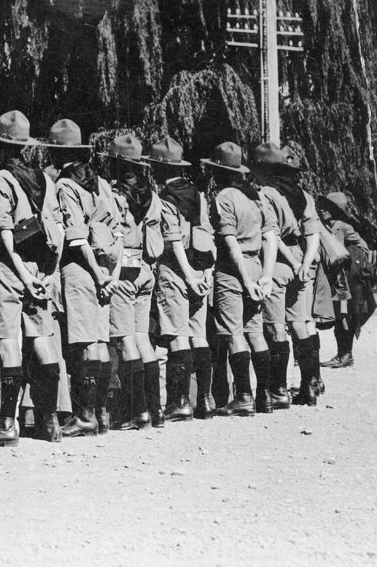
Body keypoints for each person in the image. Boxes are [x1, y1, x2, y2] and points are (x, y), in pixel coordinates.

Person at [0, 110, 64, 448]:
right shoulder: (46, 179)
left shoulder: (1, 178)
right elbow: (58, 229)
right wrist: (46, 274)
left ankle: (7, 424)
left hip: (12, 270)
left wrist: (21, 274)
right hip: (40, 269)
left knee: (9, 341)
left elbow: (5, 230)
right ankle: (50, 423)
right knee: (41, 337)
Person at [47, 119, 115, 437]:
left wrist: (97, 273)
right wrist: (106, 273)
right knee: (100, 342)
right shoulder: (96, 182)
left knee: (86, 344)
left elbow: (76, 238)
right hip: (104, 268)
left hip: (80, 269)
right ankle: (101, 413)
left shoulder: (64, 185)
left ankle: (85, 416)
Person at [201, 142, 278, 417]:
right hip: (257, 265)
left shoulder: (224, 198)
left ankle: (243, 395)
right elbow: (271, 238)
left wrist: (244, 280)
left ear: (218, 171)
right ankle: (265, 395)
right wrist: (266, 276)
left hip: (233, 270)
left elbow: (230, 243)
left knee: (234, 333)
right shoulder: (254, 197)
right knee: (255, 331)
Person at [146, 136, 215, 421]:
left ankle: (180, 401)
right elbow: (207, 234)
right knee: (199, 336)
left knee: (176, 336)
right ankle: (206, 401)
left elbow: (172, 240)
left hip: (177, 271)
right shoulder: (198, 195)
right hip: (201, 271)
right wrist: (205, 275)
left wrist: (185, 275)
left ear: (159, 168)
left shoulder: (164, 200)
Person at [249, 142, 322, 408]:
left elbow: (272, 234)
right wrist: (305, 263)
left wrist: (291, 261)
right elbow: (313, 232)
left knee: (275, 327)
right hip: (302, 261)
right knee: (300, 323)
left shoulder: (263, 193)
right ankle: (309, 386)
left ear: (261, 169)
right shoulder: (303, 194)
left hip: (277, 263)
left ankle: (278, 390)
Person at [105, 134, 163, 430]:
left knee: (125, 338)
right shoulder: (152, 194)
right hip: (147, 270)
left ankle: (136, 411)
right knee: (143, 338)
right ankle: (156, 409)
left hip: (124, 271)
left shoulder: (116, 195)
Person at [317, 191, 374, 368]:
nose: (322, 209)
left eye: (328, 207)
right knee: (339, 316)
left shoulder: (341, 226)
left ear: (336, 210)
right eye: (323, 206)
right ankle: (342, 354)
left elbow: (363, 247)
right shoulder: (325, 226)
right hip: (335, 278)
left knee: (344, 316)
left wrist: (351, 260)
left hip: (344, 280)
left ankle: (346, 355)